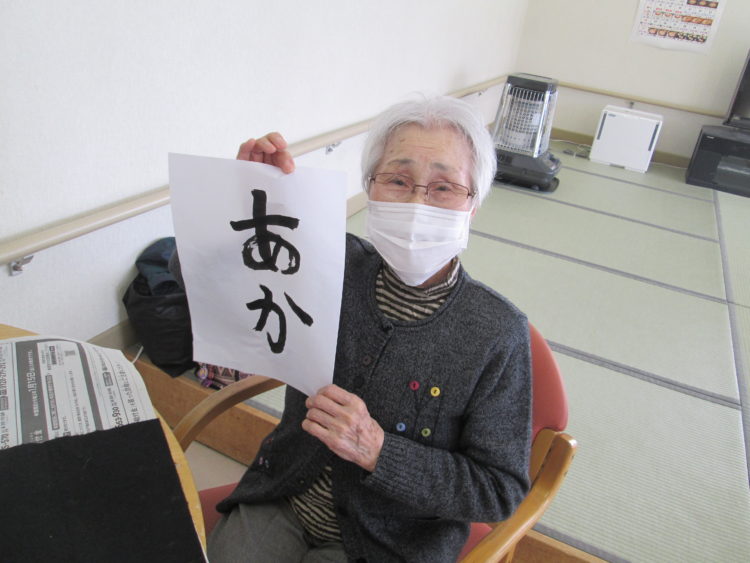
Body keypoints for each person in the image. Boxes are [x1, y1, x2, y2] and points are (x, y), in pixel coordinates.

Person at [207, 95, 532, 563]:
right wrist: (243, 205)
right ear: (370, 188)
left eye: (444, 187)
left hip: (392, 543)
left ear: (473, 205)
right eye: (398, 180)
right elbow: (207, 291)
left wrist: (381, 451)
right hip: (280, 495)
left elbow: (499, 491)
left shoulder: (497, 333)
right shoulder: (327, 262)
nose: (418, 202)